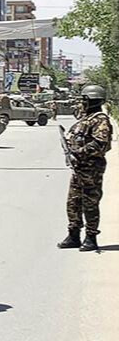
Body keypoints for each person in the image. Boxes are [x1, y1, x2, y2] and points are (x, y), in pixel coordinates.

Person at [57, 85, 113, 251]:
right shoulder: (86, 118)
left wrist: (79, 152)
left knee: (90, 203)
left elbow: (100, 144)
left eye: (84, 100)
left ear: (90, 101)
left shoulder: (100, 120)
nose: (81, 103)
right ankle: (74, 235)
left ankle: (91, 237)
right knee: (73, 202)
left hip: (91, 169)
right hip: (79, 168)